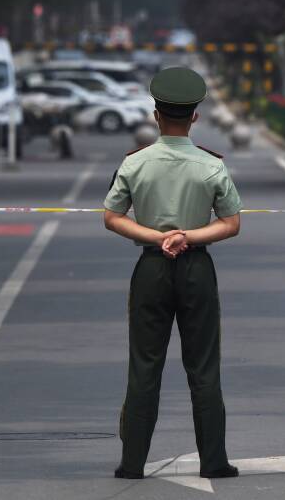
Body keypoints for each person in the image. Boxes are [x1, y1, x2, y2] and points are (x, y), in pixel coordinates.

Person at [103, 67, 242, 480]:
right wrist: (188, 236)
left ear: (156, 115)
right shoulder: (211, 166)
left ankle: (132, 462)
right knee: (203, 365)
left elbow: (112, 217)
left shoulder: (135, 163)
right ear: (195, 117)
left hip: (150, 268)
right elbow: (231, 223)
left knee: (145, 364)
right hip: (197, 267)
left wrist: (157, 236)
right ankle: (214, 461)